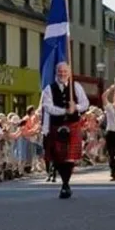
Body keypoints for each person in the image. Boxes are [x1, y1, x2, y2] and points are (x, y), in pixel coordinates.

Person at [42, 62, 89, 199]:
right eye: (60, 71)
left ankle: (65, 184)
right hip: (56, 125)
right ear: (56, 72)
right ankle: (64, 182)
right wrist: (64, 110)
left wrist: (76, 108)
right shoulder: (49, 89)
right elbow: (47, 106)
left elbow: (85, 103)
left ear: (69, 73)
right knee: (58, 158)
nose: (62, 74)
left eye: (65, 71)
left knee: (69, 157)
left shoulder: (76, 86)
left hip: (73, 125)